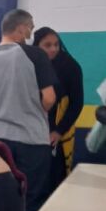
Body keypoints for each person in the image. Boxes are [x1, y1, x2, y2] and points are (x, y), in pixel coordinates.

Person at [0, 8, 57, 211]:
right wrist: (27, 110)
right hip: (31, 140)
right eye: (31, 27)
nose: (31, 32)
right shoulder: (35, 55)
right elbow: (49, 98)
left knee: (1, 197)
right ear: (21, 28)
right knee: (31, 199)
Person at [34, 27, 84, 190]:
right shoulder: (30, 66)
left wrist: (58, 131)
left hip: (57, 135)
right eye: (47, 45)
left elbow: (77, 103)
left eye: (56, 44)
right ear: (37, 46)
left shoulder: (70, 67)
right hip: (32, 132)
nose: (53, 49)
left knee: (55, 180)